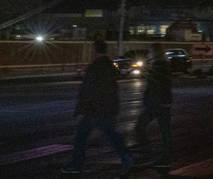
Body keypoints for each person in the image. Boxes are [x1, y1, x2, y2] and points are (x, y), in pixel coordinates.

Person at [63, 39, 133, 175]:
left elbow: (87, 90)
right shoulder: (109, 66)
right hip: (108, 108)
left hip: (95, 109)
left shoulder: (95, 67)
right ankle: (126, 157)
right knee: (111, 134)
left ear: (94, 50)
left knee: (81, 137)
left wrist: (80, 108)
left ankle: (77, 165)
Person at [135, 44, 173, 169]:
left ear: (154, 53)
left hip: (156, 104)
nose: (148, 54)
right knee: (165, 131)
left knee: (140, 126)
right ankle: (166, 157)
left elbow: (157, 85)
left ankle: (146, 153)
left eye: (150, 52)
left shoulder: (159, 67)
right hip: (163, 103)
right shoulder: (164, 66)